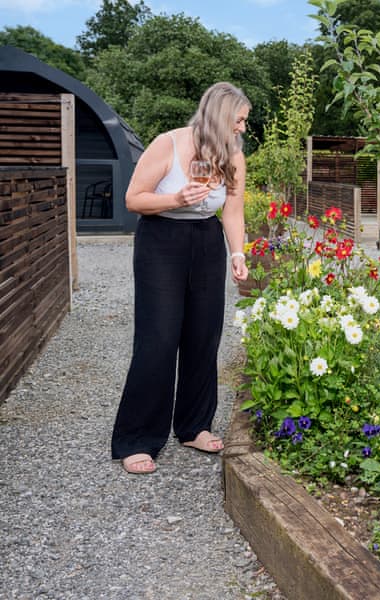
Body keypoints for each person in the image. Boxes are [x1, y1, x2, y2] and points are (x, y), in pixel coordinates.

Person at [112, 82, 251, 474]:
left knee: (204, 336)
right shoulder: (168, 144)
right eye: (239, 120)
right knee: (158, 339)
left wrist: (237, 253)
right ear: (221, 116)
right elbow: (133, 199)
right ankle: (137, 438)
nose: (242, 128)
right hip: (162, 239)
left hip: (206, 242)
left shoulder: (234, 158)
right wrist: (176, 199)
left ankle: (194, 425)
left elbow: (233, 212)